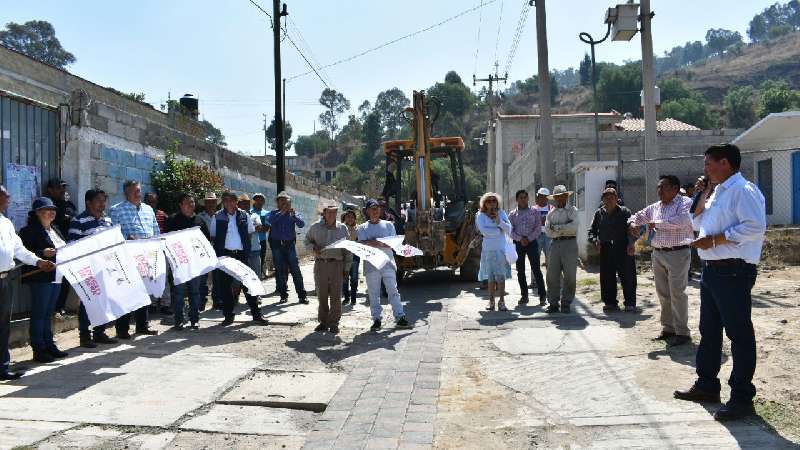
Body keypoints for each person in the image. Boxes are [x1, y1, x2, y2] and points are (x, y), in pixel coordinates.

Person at [674, 144, 766, 421]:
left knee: (738, 335)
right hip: (712, 270)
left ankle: (741, 398)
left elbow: (755, 227)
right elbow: (695, 219)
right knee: (709, 330)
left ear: (724, 163)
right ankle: (707, 385)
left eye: (708, 164)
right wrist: (703, 191)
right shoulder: (717, 192)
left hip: (734, 270)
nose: (705, 169)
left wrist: (714, 241)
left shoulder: (743, 190)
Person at [629, 175, 694, 347]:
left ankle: (682, 332)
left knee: (677, 293)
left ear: (674, 188)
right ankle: (668, 328)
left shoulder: (685, 203)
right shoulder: (656, 206)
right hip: (658, 253)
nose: (659, 191)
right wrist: (633, 223)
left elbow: (682, 221)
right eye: (658, 187)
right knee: (663, 293)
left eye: (662, 187)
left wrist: (655, 223)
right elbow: (639, 215)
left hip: (678, 253)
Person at [0, 186, 55, 379]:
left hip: (5, 279)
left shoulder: (6, 223)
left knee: (3, 325)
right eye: (4, 195)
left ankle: (2, 367)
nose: (8, 198)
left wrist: (38, 261)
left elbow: (19, 250)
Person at [67, 189, 118, 347]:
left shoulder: (107, 220)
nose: (102, 204)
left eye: (104, 200)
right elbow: (72, 246)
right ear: (88, 202)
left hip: (105, 269)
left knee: (103, 301)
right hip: (88, 269)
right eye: (98, 200)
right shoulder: (79, 221)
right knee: (87, 302)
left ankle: (99, 332)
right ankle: (84, 336)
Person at [20, 197, 68, 363]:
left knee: (48, 313)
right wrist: (42, 253)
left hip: (57, 276)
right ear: (38, 213)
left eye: (53, 209)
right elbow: (23, 254)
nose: (52, 212)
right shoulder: (29, 231)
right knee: (39, 313)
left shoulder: (55, 229)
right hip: (40, 276)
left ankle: (49, 344)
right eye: (47, 210)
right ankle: (38, 348)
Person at [109, 179, 159, 337]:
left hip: (146, 257)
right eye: (134, 191)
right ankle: (122, 329)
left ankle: (142, 326)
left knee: (144, 291)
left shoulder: (148, 209)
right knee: (126, 293)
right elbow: (113, 233)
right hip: (127, 257)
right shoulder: (116, 210)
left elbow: (156, 230)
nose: (138, 194)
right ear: (126, 193)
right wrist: (126, 237)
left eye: (139, 190)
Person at [210, 192, 268, 326]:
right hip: (225, 256)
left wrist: (245, 250)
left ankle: (256, 315)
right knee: (225, 287)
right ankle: (228, 316)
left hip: (241, 255)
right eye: (226, 201)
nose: (229, 203)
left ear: (236, 202)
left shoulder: (244, 215)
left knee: (247, 284)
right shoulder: (217, 217)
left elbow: (249, 233)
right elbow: (213, 236)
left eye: (232, 201)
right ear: (223, 203)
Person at [358, 199, 411, 331]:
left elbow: (392, 243)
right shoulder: (362, 228)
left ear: (380, 210)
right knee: (373, 293)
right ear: (367, 211)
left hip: (387, 263)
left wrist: (373, 242)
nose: (375, 211)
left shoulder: (388, 225)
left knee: (393, 290)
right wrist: (382, 242)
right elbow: (362, 244)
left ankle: (400, 317)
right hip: (371, 265)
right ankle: (376, 319)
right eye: (372, 209)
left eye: (377, 208)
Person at [305, 204, 352, 334]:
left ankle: (334, 323)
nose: (332, 215)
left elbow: (348, 250)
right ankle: (323, 322)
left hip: (337, 265)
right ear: (324, 213)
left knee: (336, 295)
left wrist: (347, 269)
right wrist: (313, 249)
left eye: (334, 212)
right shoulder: (315, 227)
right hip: (321, 264)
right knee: (322, 294)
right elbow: (306, 241)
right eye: (329, 212)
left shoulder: (342, 228)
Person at [166, 193, 210, 330]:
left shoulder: (200, 221)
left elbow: (207, 242)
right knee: (178, 293)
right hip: (178, 264)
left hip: (195, 264)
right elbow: (166, 240)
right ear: (180, 205)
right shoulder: (173, 220)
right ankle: (179, 320)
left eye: (192, 202)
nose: (190, 205)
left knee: (195, 292)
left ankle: (194, 320)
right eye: (187, 202)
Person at [589, 188, 637, 313]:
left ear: (617, 199)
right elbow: (591, 231)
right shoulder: (599, 213)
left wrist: (631, 243)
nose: (609, 200)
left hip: (624, 248)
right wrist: (595, 241)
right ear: (602, 200)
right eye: (606, 198)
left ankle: (630, 303)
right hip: (606, 248)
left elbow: (632, 229)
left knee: (627, 276)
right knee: (607, 277)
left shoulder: (625, 212)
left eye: (612, 197)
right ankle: (610, 303)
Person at [265, 192, 307, 304]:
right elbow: (268, 221)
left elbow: (302, 224)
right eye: (281, 201)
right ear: (277, 202)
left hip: (289, 245)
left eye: (286, 201)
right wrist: (281, 213)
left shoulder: (293, 214)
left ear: (290, 203)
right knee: (279, 270)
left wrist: (293, 215)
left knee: (295, 270)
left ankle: (302, 295)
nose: (284, 203)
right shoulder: (272, 213)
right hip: (277, 244)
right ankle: (283, 295)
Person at [509, 190, 547, 306]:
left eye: (525, 197)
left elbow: (538, 228)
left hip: (532, 242)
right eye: (521, 197)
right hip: (518, 243)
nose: (523, 199)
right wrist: (520, 239)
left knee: (536, 268)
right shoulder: (512, 214)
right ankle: (524, 296)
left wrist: (529, 239)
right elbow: (510, 230)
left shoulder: (535, 211)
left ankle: (542, 296)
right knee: (520, 270)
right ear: (517, 199)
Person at [544, 185, 578, 314]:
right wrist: (563, 227)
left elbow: (574, 228)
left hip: (570, 244)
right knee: (552, 275)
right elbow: (548, 231)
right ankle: (553, 303)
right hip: (555, 244)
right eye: (557, 197)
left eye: (562, 196)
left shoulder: (572, 211)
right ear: (555, 198)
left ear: (566, 196)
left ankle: (566, 303)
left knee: (570, 275)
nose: (560, 199)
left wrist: (557, 228)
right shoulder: (551, 213)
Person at [476, 193, 513, 311]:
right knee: (491, 278)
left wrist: (499, 221)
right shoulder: (480, 216)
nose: (492, 203)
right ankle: (491, 301)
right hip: (488, 250)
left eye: (494, 201)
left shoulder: (501, 213)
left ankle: (502, 301)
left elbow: (509, 229)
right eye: (488, 201)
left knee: (501, 277)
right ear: (484, 203)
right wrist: (498, 230)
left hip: (501, 250)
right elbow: (484, 231)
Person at [46, 178, 76, 317]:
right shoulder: (47, 206)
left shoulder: (68, 204)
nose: (63, 190)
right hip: (51, 246)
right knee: (52, 278)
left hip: (67, 245)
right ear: (50, 190)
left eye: (64, 187)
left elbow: (73, 217)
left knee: (66, 278)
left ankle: (61, 306)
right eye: (59, 188)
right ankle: (51, 307)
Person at [144, 191, 171, 314]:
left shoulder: (162, 215)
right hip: (147, 251)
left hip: (161, 250)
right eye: (149, 201)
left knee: (163, 276)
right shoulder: (142, 215)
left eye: (153, 201)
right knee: (150, 277)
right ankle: (153, 304)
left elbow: (169, 231)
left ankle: (166, 303)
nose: (151, 204)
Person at [238, 194, 265, 313]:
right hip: (241, 251)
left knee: (256, 274)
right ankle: (236, 297)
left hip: (254, 249)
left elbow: (259, 227)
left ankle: (257, 295)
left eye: (247, 203)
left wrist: (248, 229)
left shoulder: (254, 215)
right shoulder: (236, 216)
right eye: (243, 203)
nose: (245, 205)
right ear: (238, 204)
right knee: (240, 275)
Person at [198, 192, 221, 310]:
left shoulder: (220, 216)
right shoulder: (200, 217)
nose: (211, 204)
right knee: (203, 277)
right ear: (205, 204)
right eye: (208, 202)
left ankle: (216, 301)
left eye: (213, 202)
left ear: (216, 204)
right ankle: (202, 302)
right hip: (203, 251)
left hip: (217, 249)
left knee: (217, 277)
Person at [341, 209, 360, 306]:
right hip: (344, 256)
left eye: (352, 217)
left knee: (354, 278)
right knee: (344, 277)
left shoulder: (359, 229)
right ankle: (346, 297)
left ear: (355, 219)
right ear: (345, 218)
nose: (350, 219)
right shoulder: (341, 228)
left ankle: (353, 298)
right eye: (348, 216)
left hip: (355, 256)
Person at [251, 193, 271, 278]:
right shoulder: (249, 212)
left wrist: (253, 228)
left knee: (260, 261)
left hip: (262, 241)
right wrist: (257, 227)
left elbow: (266, 228)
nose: (259, 201)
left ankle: (258, 278)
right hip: (251, 241)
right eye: (257, 199)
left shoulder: (266, 213)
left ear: (264, 202)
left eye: (261, 200)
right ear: (254, 201)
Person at [533, 188, 553, 266]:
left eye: (544, 196)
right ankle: (534, 278)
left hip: (548, 235)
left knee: (550, 259)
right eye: (541, 196)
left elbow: (554, 221)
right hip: (536, 236)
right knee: (535, 259)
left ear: (547, 198)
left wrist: (547, 220)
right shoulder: (533, 209)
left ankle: (551, 277)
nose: (542, 198)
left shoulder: (551, 208)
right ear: (538, 197)